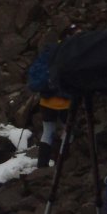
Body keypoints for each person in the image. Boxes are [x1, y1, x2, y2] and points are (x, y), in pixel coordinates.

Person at [36, 24, 80, 168]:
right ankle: (62, 164)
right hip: (65, 102)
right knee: (68, 132)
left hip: (46, 100)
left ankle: (42, 165)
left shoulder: (50, 51)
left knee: (48, 132)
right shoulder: (72, 52)